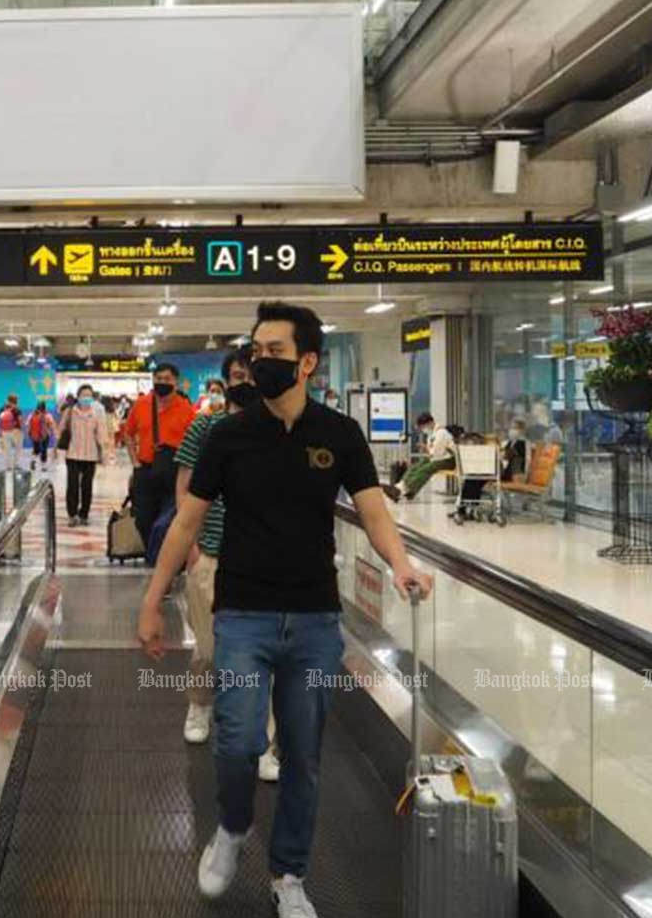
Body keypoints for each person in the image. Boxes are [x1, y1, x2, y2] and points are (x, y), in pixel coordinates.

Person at [138, 301, 431, 918]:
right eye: (255, 350)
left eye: (273, 352)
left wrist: (401, 564)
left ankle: (289, 874)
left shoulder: (338, 434)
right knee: (239, 741)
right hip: (242, 612)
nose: (258, 362)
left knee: (301, 752)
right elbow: (187, 520)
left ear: (307, 362)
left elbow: (373, 509)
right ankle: (233, 826)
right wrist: (152, 599)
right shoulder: (228, 435)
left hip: (315, 619)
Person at [173, 348, 281, 779]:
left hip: (264, 557)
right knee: (212, 648)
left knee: (264, 654)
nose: (245, 383)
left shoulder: (280, 429)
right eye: (237, 376)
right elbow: (183, 487)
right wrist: (192, 547)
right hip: (212, 553)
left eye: (251, 375)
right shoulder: (206, 425)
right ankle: (200, 704)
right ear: (224, 382)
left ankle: (264, 744)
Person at [122, 362, 194, 542]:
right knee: (143, 518)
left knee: (169, 519)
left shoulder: (185, 408)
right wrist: (135, 463)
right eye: (158, 379)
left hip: (174, 472)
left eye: (167, 379)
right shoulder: (141, 404)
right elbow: (128, 434)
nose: (162, 382)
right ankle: (151, 554)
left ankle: (164, 558)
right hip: (145, 470)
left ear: (175, 382)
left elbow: (195, 440)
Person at [57, 384, 109, 526]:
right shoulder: (69, 412)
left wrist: (104, 454)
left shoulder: (96, 413)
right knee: (72, 485)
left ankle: (84, 514)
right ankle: (72, 514)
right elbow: (61, 430)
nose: (86, 398)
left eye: (89, 396)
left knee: (87, 486)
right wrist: (58, 451)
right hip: (72, 455)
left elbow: (101, 434)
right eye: (84, 395)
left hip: (90, 455)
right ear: (78, 396)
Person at [383, 412, 456, 502]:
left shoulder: (441, 433)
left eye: (422, 427)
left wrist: (427, 449)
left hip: (448, 460)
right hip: (439, 458)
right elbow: (434, 451)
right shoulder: (433, 434)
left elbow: (437, 453)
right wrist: (427, 448)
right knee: (415, 467)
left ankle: (404, 491)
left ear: (429, 423)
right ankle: (399, 488)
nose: (423, 430)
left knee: (425, 469)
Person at [0, 395, 23, 471]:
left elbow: (0, 419)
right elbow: (20, 420)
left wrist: (0, 431)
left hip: (5, 431)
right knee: (18, 448)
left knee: (7, 449)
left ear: (8, 400)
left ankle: (8, 466)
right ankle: (15, 465)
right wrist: (21, 430)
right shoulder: (17, 409)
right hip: (15, 430)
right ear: (16, 401)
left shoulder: (2, 408)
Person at [27, 401, 53, 472]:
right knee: (44, 450)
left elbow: (28, 424)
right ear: (45, 407)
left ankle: (33, 460)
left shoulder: (32, 415)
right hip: (45, 435)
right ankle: (43, 466)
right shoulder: (48, 415)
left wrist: (30, 433)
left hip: (35, 434)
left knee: (36, 449)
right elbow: (51, 425)